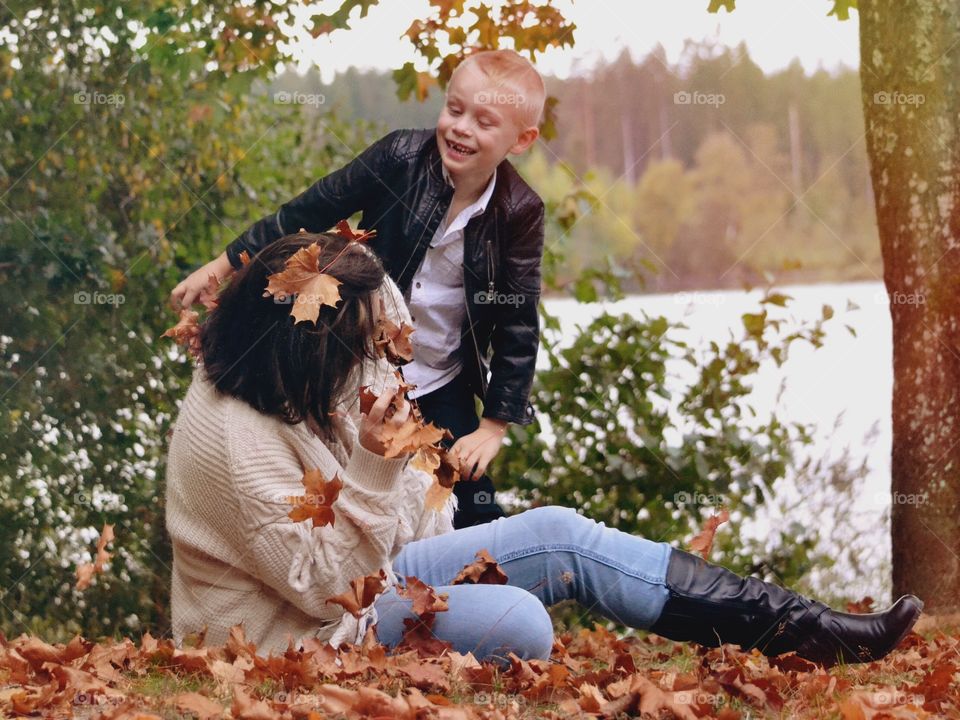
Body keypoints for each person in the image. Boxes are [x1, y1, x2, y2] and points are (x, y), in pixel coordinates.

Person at [165, 232, 924, 667]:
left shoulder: (292, 371)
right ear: (307, 346)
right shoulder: (234, 437)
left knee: (557, 532)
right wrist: (376, 465)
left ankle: (808, 631)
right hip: (295, 635)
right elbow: (325, 587)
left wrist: (399, 462)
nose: (379, 363)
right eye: (360, 347)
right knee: (523, 624)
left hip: (362, 575)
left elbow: (394, 534)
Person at [169, 50, 549, 529]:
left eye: (484, 121)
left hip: (440, 378)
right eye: (454, 110)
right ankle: (338, 590)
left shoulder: (520, 211)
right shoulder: (399, 159)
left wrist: (494, 426)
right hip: (359, 366)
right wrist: (222, 266)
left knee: (472, 513)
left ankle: (489, 595)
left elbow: (518, 322)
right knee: (348, 495)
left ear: (522, 139)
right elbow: (303, 215)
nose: (461, 128)